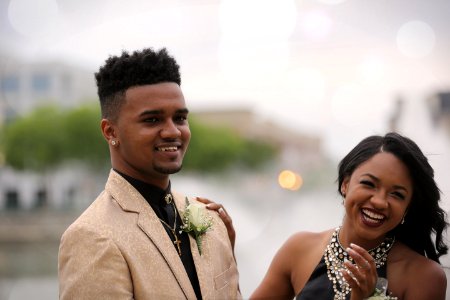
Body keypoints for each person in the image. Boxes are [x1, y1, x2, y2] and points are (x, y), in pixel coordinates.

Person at [58, 48, 240, 299]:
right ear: (110, 132)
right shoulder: (92, 236)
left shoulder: (212, 221)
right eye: (152, 120)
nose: (172, 131)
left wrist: (227, 245)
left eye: (180, 118)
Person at [251, 132, 448, 300]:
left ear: (408, 207)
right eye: (369, 184)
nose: (379, 202)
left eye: (397, 194)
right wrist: (224, 248)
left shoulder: (424, 276)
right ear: (345, 184)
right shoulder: (299, 249)